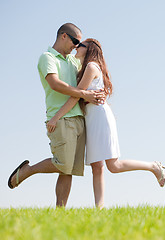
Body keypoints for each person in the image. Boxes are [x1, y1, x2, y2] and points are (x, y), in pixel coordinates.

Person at [46, 38, 165, 209]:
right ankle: (100, 209)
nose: (76, 47)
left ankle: (153, 167)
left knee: (113, 165)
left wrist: (55, 117)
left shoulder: (91, 66)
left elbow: (76, 96)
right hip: (91, 118)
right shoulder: (85, 67)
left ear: (89, 49)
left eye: (80, 45)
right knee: (97, 167)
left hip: (100, 118)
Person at [7, 23, 105, 207]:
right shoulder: (47, 57)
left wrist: (100, 91)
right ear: (63, 36)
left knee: (68, 170)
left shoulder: (74, 60)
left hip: (79, 118)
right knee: (63, 163)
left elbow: (91, 73)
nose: (76, 46)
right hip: (60, 118)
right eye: (75, 41)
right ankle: (28, 170)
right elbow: (55, 84)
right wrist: (84, 94)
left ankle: (59, 212)